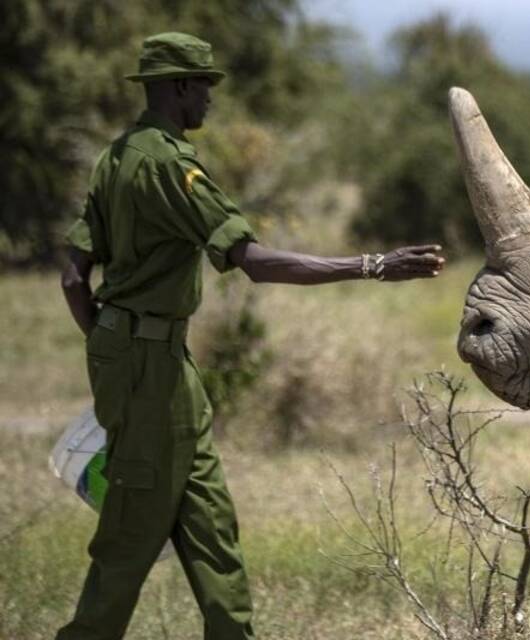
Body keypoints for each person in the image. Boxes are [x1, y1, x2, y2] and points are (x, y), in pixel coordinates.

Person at [57, 32, 445, 639]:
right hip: (149, 371)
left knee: (212, 529)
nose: (210, 99)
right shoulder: (168, 165)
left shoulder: (115, 156)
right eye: (204, 86)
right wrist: (371, 266)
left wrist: (107, 344)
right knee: (129, 539)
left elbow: (71, 277)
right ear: (179, 86)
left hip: (157, 364)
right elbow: (254, 261)